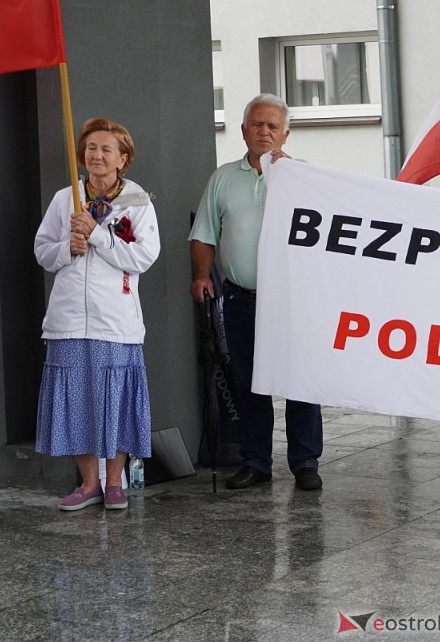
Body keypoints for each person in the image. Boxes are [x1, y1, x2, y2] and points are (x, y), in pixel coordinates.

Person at [189, 94, 324, 492]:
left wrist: (292, 180)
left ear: (286, 133)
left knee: (301, 382)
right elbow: (204, 234)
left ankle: (305, 462)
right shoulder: (222, 178)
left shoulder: (305, 177)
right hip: (241, 299)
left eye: (272, 126)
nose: (263, 132)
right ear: (244, 129)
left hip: (293, 301)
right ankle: (255, 461)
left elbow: (326, 233)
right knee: (248, 382)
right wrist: (201, 275)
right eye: (256, 124)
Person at [34, 118, 161, 512]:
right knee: (77, 400)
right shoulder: (64, 198)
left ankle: (114, 481)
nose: (97, 156)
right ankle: (89, 483)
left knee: (116, 400)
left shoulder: (137, 202)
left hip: (115, 321)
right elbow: (42, 250)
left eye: (106, 149)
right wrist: (66, 249)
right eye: (90, 149)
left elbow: (144, 256)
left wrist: (96, 234)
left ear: (123, 159)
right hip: (69, 319)